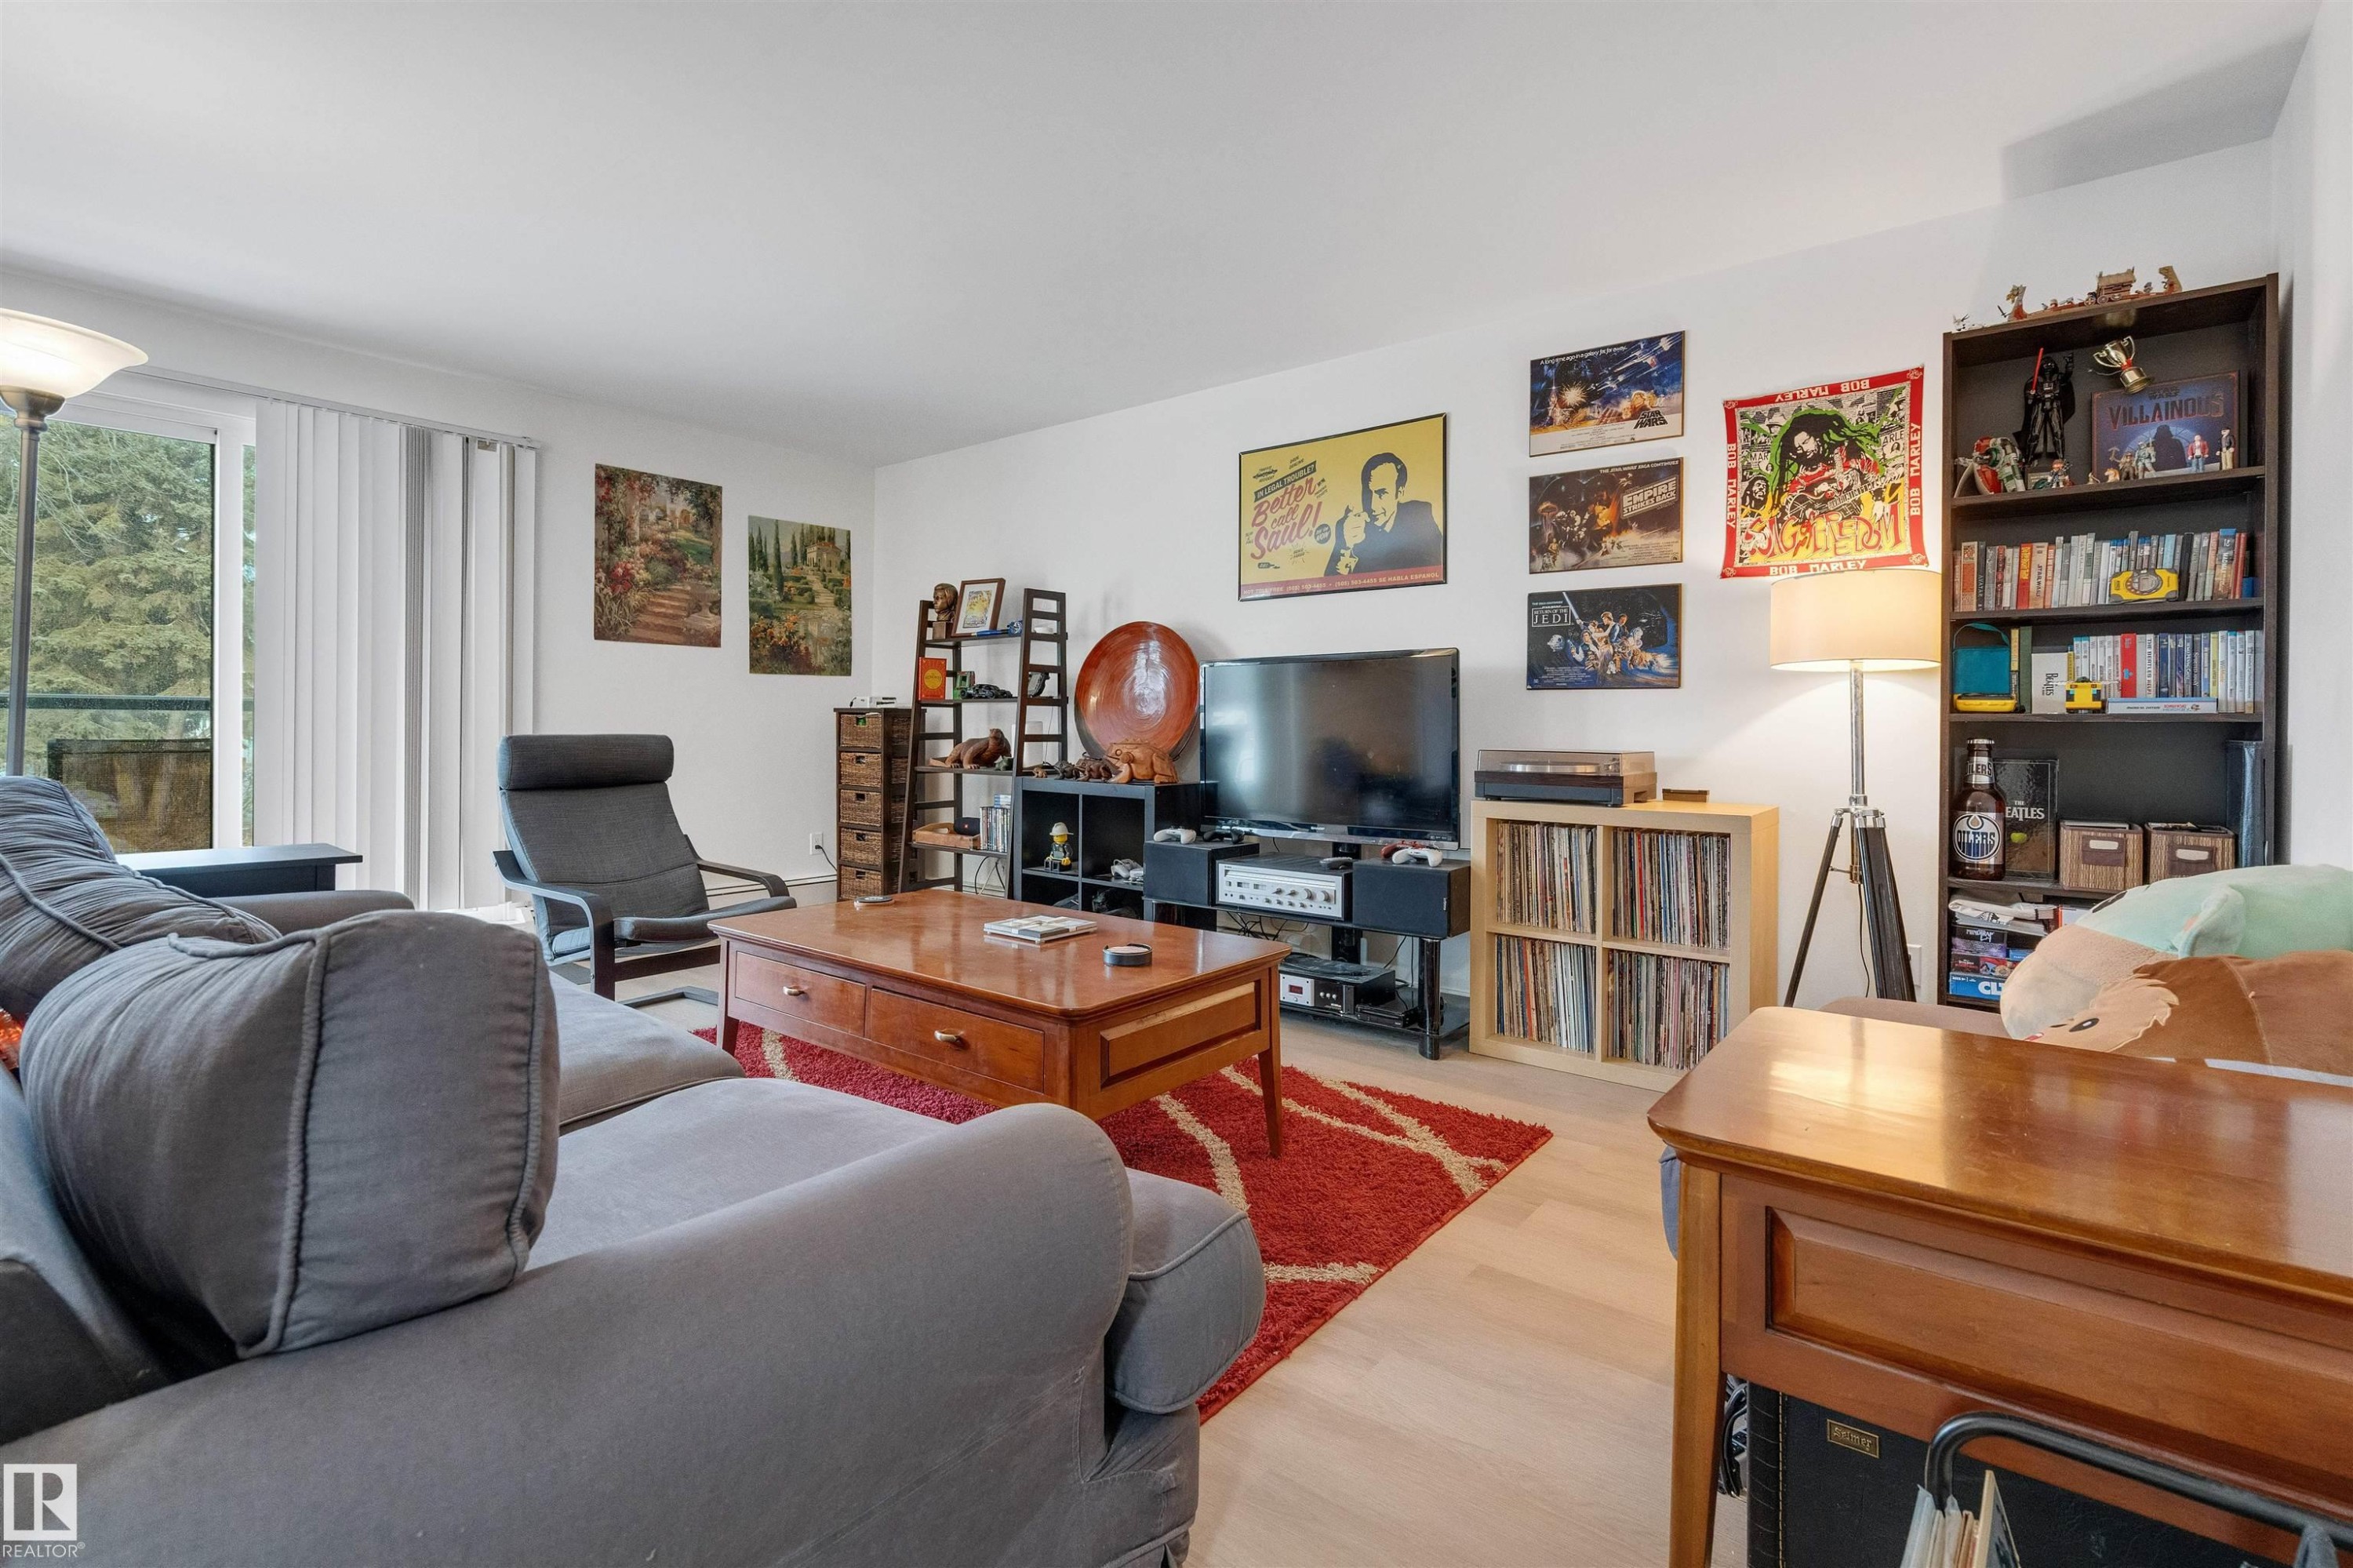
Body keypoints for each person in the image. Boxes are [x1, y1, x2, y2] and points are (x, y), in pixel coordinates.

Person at [1329, 452, 1443, 577]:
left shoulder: (1419, 515)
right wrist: (1344, 547)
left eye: (1382, 494)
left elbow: (1433, 572)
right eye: (1367, 493)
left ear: (1399, 493)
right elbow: (1330, 585)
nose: (1372, 506)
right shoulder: (1348, 527)